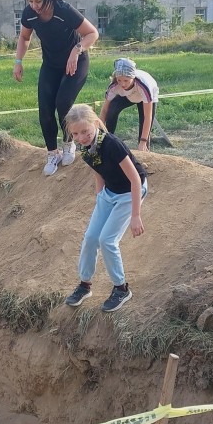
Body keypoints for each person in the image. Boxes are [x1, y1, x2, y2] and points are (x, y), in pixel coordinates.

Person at [62, 104, 147, 313]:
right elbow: (98, 171)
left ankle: (121, 289)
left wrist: (136, 215)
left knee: (107, 240)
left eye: (85, 131)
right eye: (75, 134)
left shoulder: (111, 145)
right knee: (91, 237)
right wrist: (100, 197)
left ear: (95, 124)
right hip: (109, 192)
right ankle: (84, 285)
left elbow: (135, 180)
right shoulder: (85, 149)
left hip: (129, 192)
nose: (81, 137)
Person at [13, 0, 99, 176]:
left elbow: (92, 33)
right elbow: (24, 37)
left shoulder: (64, 10)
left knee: (63, 103)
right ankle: (53, 153)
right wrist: (18, 61)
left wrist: (77, 50)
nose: (34, 6)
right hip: (51, 65)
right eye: (30, 1)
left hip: (75, 62)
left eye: (38, 1)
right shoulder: (29, 14)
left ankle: (69, 143)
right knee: (45, 109)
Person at [100, 57, 159, 152]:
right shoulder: (114, 86)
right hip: (127, 95)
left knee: (143, 124)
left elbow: (147, 116)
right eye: (119, 80)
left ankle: (144, 150)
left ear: (133, 77)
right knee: (112, 110)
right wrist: (99, 134)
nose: (122, 84)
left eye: (126, 80)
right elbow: (104, 111)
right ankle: (107, 141)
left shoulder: (144, 86)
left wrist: (143, 141)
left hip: (145, 95)